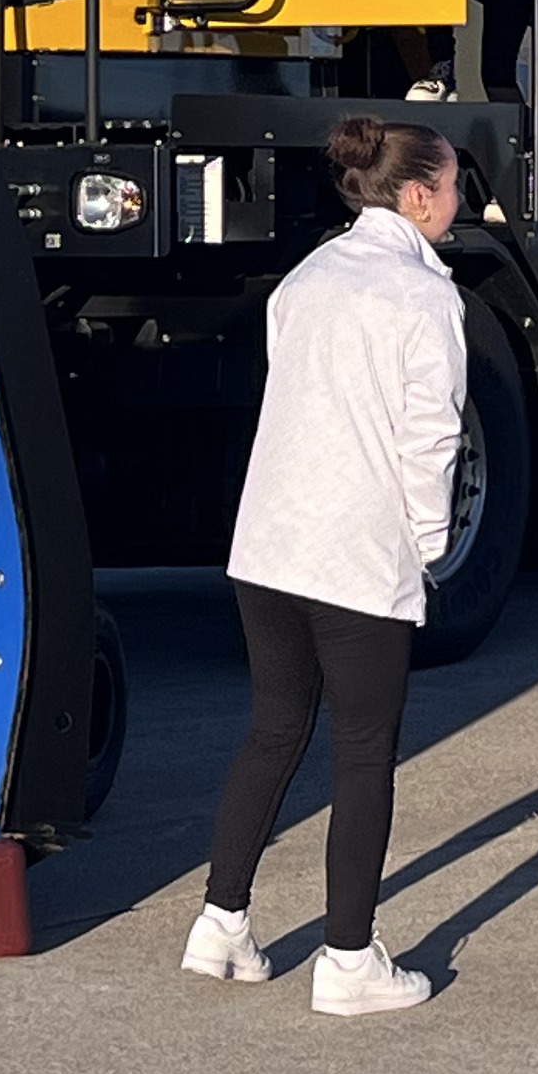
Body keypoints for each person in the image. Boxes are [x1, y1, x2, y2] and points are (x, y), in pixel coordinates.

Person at [187, 116, 467, 1017]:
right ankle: (348, 958)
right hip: (355, 551)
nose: (460, 201)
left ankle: (221, 920)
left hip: (269, 540)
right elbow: (433, 438)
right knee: (363, 756)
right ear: (417, 195)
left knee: (273, 730)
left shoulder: (306, 279)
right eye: (453, 185)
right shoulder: (425, 299)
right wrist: (429, 546)